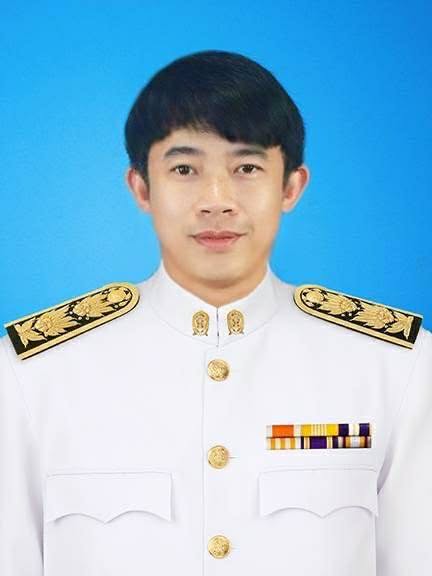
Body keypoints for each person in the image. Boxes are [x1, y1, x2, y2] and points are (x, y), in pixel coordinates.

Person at [1, 49, 431, 576]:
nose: (217, 201)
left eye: (247, 167)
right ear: (141, 187)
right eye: (184, 168)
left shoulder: (395, 367)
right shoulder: (32, 374)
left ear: (291, 186)